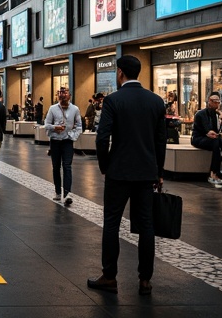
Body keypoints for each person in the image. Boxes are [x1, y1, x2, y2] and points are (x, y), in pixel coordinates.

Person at [88, 55, 166, 297]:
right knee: (146, 226)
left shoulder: (113, 100)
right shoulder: (156, 101)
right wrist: (158, 172)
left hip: (118, 173)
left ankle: (109, 276)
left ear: (120, 73)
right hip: (146, 173)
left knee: (112, 223)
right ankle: (145, 280)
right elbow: (160, 140)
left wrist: (104, 165)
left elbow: (102, 139)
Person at [45, 86, 82, 205]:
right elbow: (46, 124)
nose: (62, 96)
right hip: (55, 141)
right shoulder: (52, 108)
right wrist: (55, 127)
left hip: (67, 142)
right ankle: (57, 192)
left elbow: (79, 126)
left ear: (69, 95)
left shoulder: (75, 109)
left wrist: (72, 137)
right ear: (57, 96)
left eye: (64, 93)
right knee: (56, 167)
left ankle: (67, 194)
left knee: (67, 166)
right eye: (60, 94)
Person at [191, 93, 222, 186]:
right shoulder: (201, 114)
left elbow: (216, 131)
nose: (217, 105)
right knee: (216, 142)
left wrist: (221, 116)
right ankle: (214, 173)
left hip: (209, 138)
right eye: (215, 102)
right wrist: (213, 133)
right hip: (198, 138)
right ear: (210, 102)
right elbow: (207, 130)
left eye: (218, 102)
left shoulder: (214, 114)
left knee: (219, 141)